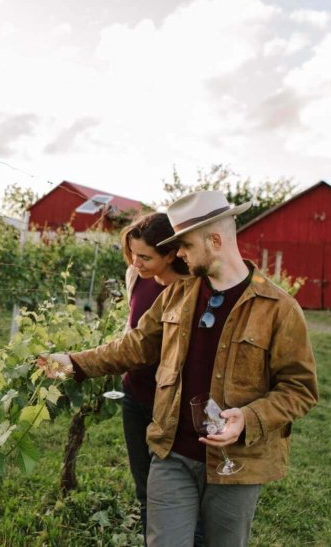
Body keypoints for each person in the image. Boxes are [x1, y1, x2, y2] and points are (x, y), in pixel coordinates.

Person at [39, 190, 318, 547]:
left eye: (184, 245)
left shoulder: (278, 308)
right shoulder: (179, 292)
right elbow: (136, 345)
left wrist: (248, 418)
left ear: (214, 240)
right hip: (172, 453)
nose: (179, 255)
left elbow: (300, 389)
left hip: (238, 463)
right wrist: (75, 362)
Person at [118, 213, 190, 544]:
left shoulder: (189, 291)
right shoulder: (136, 277)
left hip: (171, 405)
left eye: (145, 256)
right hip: (135, 396)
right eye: (133, 253)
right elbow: (132, 330)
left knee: (173, 491)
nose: (136, 262)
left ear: (171, 253)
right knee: (144, 485)